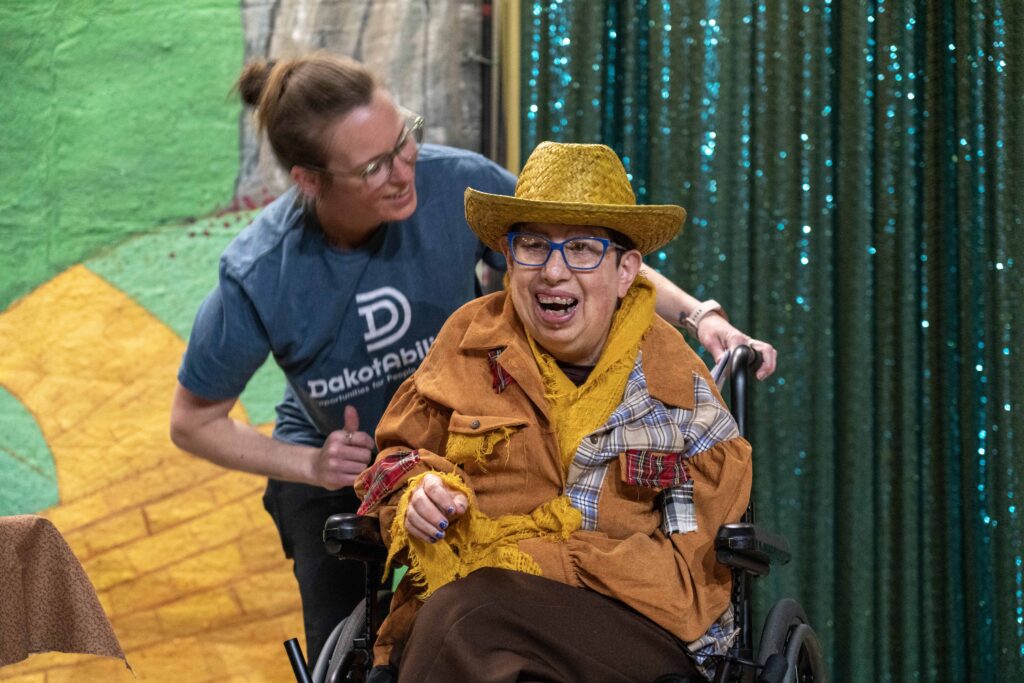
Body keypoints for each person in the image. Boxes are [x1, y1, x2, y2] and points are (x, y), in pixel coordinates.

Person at [169, 52, 773, 666]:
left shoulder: (453, 183)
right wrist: (314, 463)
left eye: (405, 137)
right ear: (310, 180)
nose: (405, 169)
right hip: (375, 457)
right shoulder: (264, 272)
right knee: (364, 624)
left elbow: (585, 239)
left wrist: (701, 316)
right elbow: (192, 422)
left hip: (510, 513)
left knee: (467, 614)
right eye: (375, 165)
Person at [353, 141, 753, 682]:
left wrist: (539, 562)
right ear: (508, 259)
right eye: (533, 246)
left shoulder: (676, 385)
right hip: (464, 622)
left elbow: (687, 586)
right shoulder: (466, 345)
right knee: (464, 623)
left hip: (630, 629)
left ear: (625, 271)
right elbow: (394, 460)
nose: (553, 272)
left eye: (583, 248)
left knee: (466, 618)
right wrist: (418, 495)